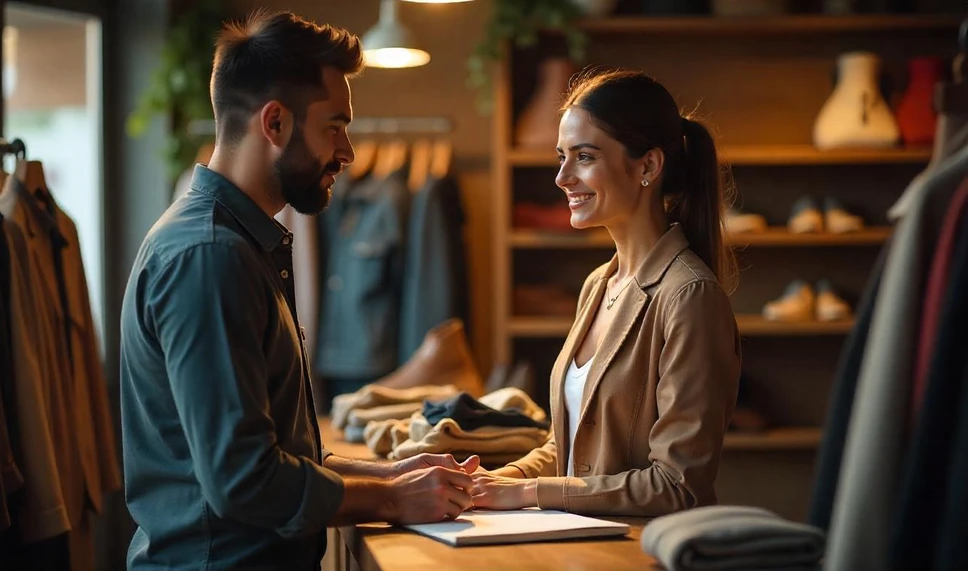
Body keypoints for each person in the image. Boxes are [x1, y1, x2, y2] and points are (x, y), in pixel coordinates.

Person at [119, 10, 478, 571]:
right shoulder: (210, 256)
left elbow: (277, 452)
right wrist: (389, 498)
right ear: (276, 123)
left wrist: (390, 473)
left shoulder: (238, 245)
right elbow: (244, 480)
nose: (349, 152)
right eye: (335, 127)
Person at [469, 69, 742, 516]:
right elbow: (569, 445)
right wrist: (496, 480)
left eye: (585, 157)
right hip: (574, 544)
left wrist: (528, 494)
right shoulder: (598, 284)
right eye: (562, 156)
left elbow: (678, 485)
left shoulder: (689, 296)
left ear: (648, 166)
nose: (562, 177)